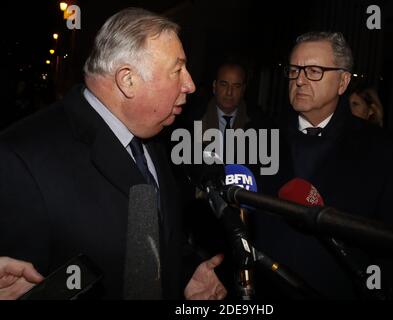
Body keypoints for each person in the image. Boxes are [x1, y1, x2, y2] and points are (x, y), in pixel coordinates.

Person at [0, 8, 226, 300]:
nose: (190, 84)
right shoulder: (20, 157)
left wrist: (184, 271)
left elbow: (150, 232)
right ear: (128, 80)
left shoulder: (152, 131)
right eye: (177, 69)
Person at [252, 31, 393, 299]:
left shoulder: (380, 149)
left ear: (343, 81)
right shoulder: (258, 135)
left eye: (313, 71)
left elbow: (390, 244)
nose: (299, 80)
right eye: (294, 69)